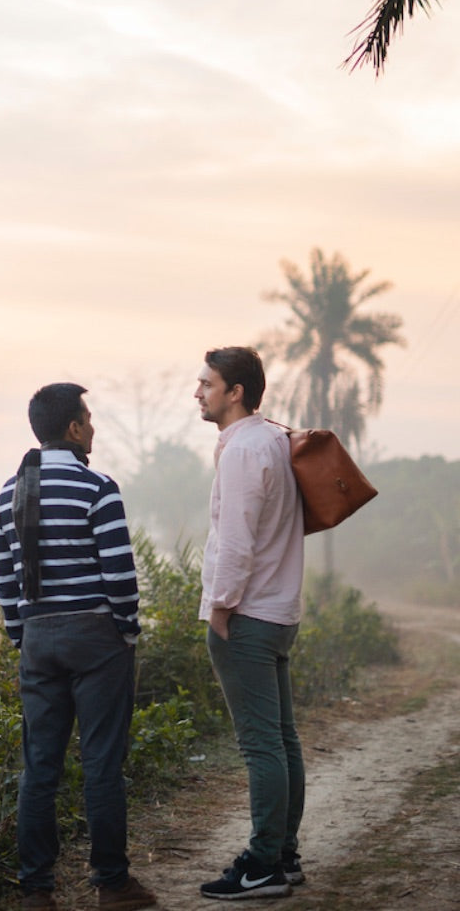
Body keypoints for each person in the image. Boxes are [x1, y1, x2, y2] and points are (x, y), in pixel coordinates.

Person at [0, 383, 157, 911]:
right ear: (73, 428)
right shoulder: (98, 488)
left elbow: (6, 581)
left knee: (40, 767)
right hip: (96, 640)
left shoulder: (7, 495)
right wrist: (127, 630)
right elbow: (120, 575)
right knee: (101, 764)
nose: (93, 426)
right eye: (88, 418)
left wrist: (23, 638)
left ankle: (36, 891)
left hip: (38, 639)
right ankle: (112, 885)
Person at [194, 347, 306, 900]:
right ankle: (282, 856)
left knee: (261, 745)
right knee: (282, 740)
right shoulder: (276, 442)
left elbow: (236, 540)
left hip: (247, 614)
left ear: (235, 391)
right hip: (278, 610)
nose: (198, 392)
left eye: (207, 383)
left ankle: (262, 864)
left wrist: (219, 607)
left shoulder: (243, 451)